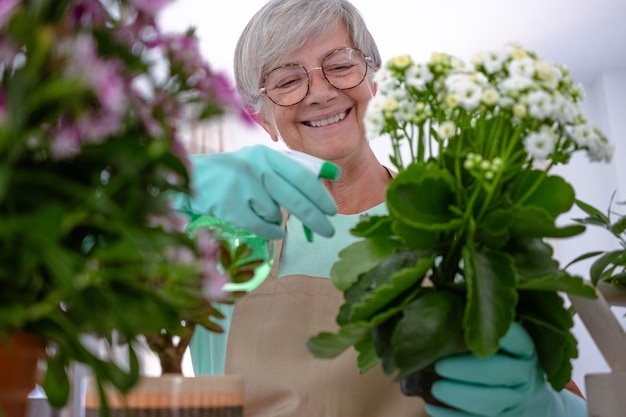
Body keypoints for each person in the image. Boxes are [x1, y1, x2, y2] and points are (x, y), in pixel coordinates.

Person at [178, 0, 588, 416]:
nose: (321, 93)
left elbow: (568, 397)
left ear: (373, 79)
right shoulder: (219, 234)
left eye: (339, 66)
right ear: (261, 118)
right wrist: (174, 183)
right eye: (286, 81)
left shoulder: (463, 227)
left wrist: (540, 404)